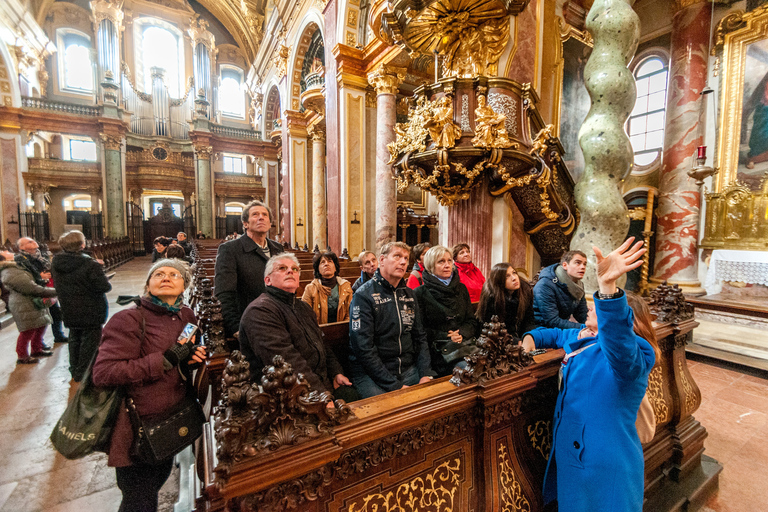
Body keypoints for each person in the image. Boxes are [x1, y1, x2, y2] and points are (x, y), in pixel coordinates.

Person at [521, 238, 658, 512]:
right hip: (575, 458)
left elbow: (618, 343)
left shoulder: (633, 354)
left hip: (603, 465)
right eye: (595, 302)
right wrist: (527, 342)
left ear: (623, 318)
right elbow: (551, 333)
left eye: (598, 305)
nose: (591, 306)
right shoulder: (585, 336)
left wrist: (608, 289)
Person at [92, 259, 206, 512]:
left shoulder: (186, 315)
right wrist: (164, 360)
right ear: (148, 284)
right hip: (137, 426)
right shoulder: (128, 319)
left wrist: (191, 357)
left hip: (172, 418)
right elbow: (103, 372)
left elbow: (185, 355)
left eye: (174, 274)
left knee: (157, 482)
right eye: (159, 274)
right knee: (138, 499)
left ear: (184, 285)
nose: (166, 277)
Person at [239, 253, 356, 401]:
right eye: (282, 268)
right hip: (285, 397)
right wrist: (321, 396)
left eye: (295, 269)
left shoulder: (303, 307)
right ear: (267, 280)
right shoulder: (260, 311)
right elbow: (287, 362)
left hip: (318, 384)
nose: (290, 271)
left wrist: (336, 373)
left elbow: (322, 343)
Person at [349, 242, 436, 398]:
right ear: (382, 260)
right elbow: (364, 349)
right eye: (397, 256)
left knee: (435, 400)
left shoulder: (409, 294)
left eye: (405, 258)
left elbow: (420, 337)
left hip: (408, 369)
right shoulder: (364, 296)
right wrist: (395, 386)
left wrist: (425, 373)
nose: (403, 262)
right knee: (390, 412)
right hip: (372, 374)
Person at [214, 200, 284, 338]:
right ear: (245, 223)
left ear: (270, 223)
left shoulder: (278, 248)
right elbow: (224, 293)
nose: (261, 217)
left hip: (277, 319)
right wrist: (235, 327)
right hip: (248, 321)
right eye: (255, 214)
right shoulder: (230, 249)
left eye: (265, 215)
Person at [51, 230, 112, 382]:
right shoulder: (90, 264)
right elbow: (104, 287)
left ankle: (75, 370)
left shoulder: (57, 262)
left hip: (68, 306)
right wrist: (101, 274)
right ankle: (85, 372)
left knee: (74, 337)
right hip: (90, 308)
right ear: (82, 244)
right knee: (90, 341)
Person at [414, 245, 478, 377]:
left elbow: (471, 321)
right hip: (439, 350)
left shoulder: (461, 288)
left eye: (449, 261)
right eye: (441, 261)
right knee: (469, 372)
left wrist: (461, 334)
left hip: (465, 345)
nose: (447, 265)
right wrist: (447, 336)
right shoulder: (420, 293)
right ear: (431, 265)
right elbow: (420, 330)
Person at [0, 249, 57, 364]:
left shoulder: (18, 265)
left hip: (30, 300)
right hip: (23, 302)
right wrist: (54, 291)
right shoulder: (10, 270)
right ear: (4, 259)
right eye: (4, 251)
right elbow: (29, 287)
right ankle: (22, 356)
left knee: (40, 325)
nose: (7, 250)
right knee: (27, 330)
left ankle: (36, 349)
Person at [16, 237, 67, 343]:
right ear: (22, 247)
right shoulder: (20, 259)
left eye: (33, 240)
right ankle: (38, 344)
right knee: (39, 320)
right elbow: (22, 276)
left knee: (55, 313)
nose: (34, 242)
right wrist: (40, 276)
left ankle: (58, 335)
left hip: (48, 287)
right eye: (30, 242)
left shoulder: (42, 255)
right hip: (35, 290)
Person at [476, 263, 535, 339]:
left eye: (514, 273)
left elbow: (529, 320)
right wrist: (517, 342)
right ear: (499, 281)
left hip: (521, 338)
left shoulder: (525, 290)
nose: (514, 278)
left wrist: (529, 337)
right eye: (507, 276)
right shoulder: (491, 297)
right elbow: (493, 330)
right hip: (498, 341)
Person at [533, 250, 588, 329]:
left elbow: (582, 314)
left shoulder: (579, 285)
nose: (583, 267)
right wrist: (585, 327)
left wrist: (595, 326)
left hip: (561, 329)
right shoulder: (546, 284)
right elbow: (552, 321)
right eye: (577, 263)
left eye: (584, 264)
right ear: (565, 265)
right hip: (542, 329)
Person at [301, 250, 353, 324]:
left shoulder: (346, 286)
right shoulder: (310, 288)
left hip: (342, 329)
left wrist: (341, 329)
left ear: (335, 267)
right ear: (318, 269)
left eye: (330, 261)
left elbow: (350, 314)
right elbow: (305, 316)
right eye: (322, 262)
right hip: (318, 331)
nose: (326, 264)